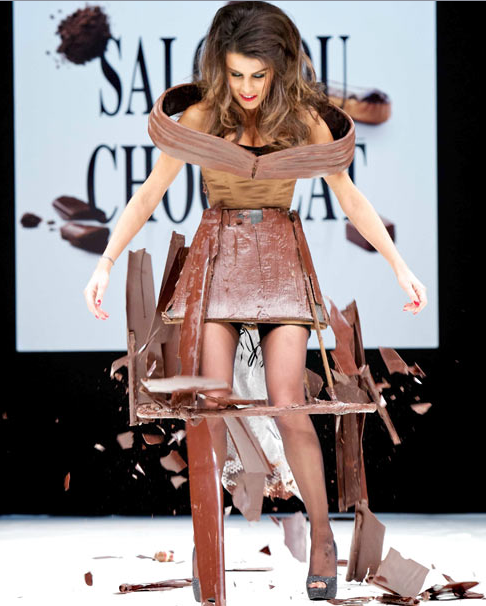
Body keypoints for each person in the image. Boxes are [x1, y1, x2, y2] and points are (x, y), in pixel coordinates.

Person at [84, 1, 427, 600]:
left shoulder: (303, 120)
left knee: (288, 401)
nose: (246, 87)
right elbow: (148, 193)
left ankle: (322, 536)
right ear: (220, 67)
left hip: (279, 257)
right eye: (236, 73)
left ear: (279, 70)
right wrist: (106, 261)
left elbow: (349, 196)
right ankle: (208, 538)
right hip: (217, 257)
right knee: (212, 405)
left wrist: (400, 266)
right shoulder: (201, 115)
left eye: (259, 75)